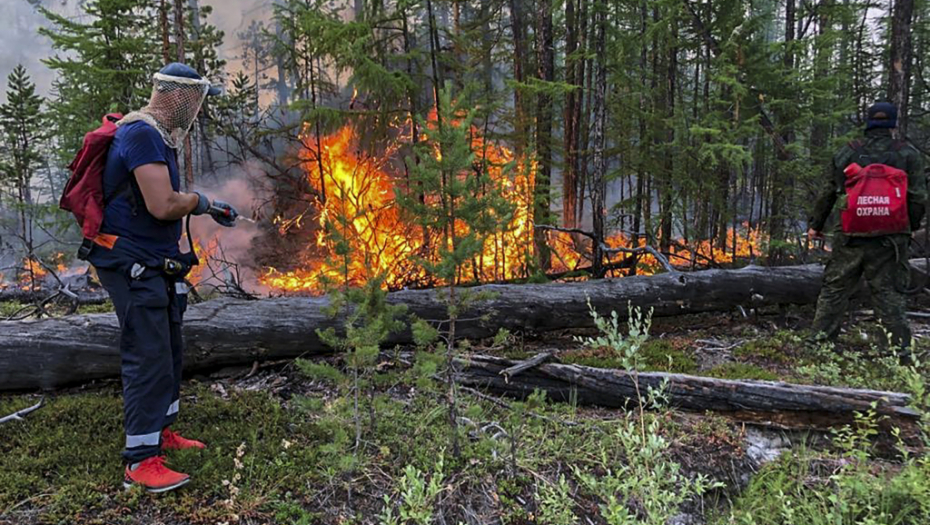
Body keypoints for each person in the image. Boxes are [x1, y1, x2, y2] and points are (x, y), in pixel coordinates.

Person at [85, 63, 239, 493]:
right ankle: (140, 459)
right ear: (176, 97)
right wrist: (204, 202)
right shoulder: (141, 134)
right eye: (194, 100)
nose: (196, 108)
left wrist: (207, 209)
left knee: (169, 346)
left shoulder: (157, 136)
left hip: (154, 262)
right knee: (147, 354)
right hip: (130, 262)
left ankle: (162, 432)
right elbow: (162, 205)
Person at [808, 101, 926, 362]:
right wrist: (909, 226)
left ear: (868, 122)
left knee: (835, 288)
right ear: (892, 124)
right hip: (891, 237)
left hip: (851, 233)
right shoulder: (907, 154)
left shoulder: (848, 152)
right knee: (889, 292)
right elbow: (918, 197)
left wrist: (816, 225)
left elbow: (829, 192)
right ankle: (898, 353)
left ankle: (819, 343)